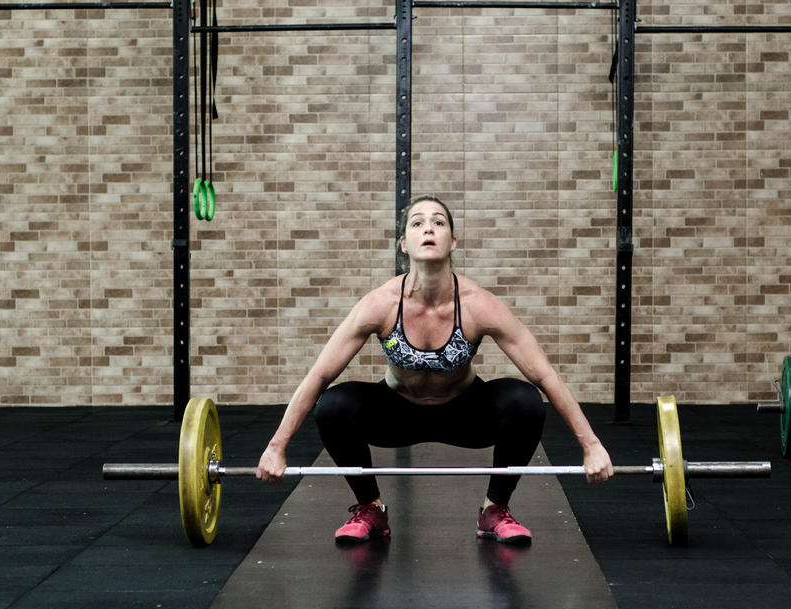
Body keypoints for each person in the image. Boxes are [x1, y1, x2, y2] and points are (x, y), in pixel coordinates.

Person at [256, 195, 614, 544]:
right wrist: (276, 447)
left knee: (525, 399)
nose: (428, 228)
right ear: (403, 243)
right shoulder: (380, 304)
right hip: (395, 412)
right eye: (418, 222)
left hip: (466, 412)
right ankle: (371, 509)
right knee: (333, 404)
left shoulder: (478, 305)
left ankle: (495, 509)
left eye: (438, 222)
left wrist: (592, 446)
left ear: (453, 241)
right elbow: (319, 375)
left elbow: (545, 375)